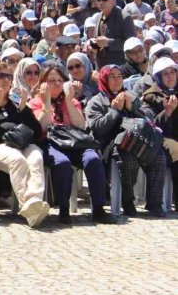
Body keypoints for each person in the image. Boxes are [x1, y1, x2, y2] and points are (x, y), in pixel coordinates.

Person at [28, 66, 117, 224]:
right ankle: (64, 209)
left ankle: (98, 209)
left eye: (59, 80)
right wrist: (46, 102)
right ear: (43, 84)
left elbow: (80, 125)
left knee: (93, 159)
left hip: (74, 142)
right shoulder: (35, 102)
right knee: (62, 163)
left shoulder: (72, 100)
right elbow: (42, 127)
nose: (56, 84)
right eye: (51, 81)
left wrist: (69, 101)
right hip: (50, 143)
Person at [0, 62, 50, 228]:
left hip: (21, 144)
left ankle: (33, 201)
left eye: (9, 76)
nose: (6, 80)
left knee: (36, 156)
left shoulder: (15, 101)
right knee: (17, 159)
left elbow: (36, 131)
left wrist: (23, 109)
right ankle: (30, 206)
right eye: (1, 76)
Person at [85, 65, 168, 217]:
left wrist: (132, 108)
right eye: (112, 77)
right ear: (104, 79)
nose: (117, 80)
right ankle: (127, 201)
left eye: (119, 76)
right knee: (128, 160)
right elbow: (97, 129)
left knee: (159, 157)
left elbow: (149, 121)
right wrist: (115, 110)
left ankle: (155, 202)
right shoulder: (96, 101)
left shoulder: (131, 96)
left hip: (138, 141)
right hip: (111, 145)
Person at [143, 58, 178, 211]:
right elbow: (151, 125)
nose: (170, 76)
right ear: (158, 77)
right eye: (165, 74)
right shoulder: (150, 96)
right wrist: (167, 111)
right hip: (161, 138)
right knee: (176, 150)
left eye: (172, 72)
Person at [91, 0, 136, 68]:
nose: (101, 3)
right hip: (101, 66)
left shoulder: (124, 17)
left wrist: (109, 43)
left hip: (119, 67)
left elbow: (132, 44)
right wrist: (93, 44)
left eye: (104, 0)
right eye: (98, 0)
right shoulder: (98, 17)